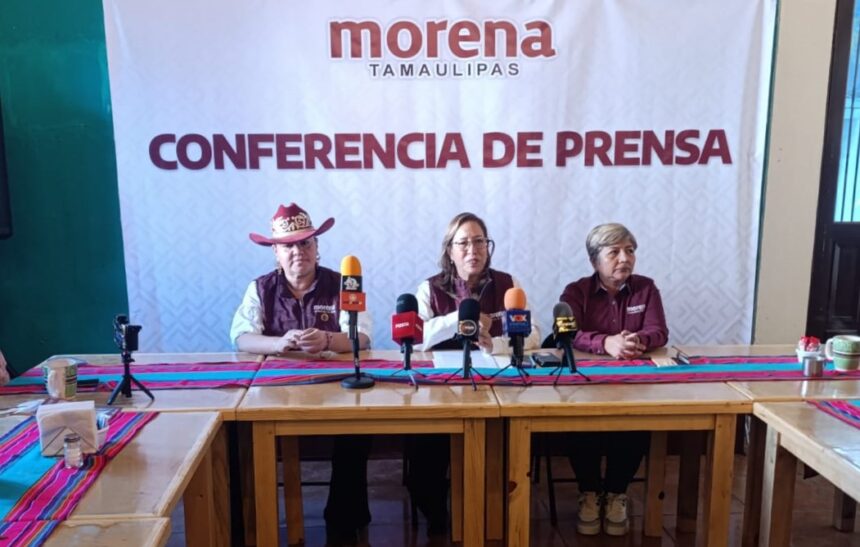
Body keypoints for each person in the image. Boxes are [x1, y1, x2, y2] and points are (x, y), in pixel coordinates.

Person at [230, 203, 372, 545]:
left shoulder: (342, 283)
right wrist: (278, 344)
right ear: (276, 252)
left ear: (317, 247)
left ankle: (344, 523)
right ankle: (249, 524)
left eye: (305, 243)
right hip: (275, 392)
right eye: (288, 246)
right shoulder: (260, 288)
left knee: (357, 429)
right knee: (234, 434)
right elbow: (241, 337)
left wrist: (327, 340)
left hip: (334, 391)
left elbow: (363, 336)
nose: (298, 251)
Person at [409, 212, 540, 535]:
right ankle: (437, 511)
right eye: (463, 243)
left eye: (479, 241)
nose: (473, 250)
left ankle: (494, 511)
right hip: (443, 389)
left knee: (506, 440)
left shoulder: (508, 284)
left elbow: (534, 334)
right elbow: (417, 338)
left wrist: (496, 343)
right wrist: (458, 318)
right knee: (426, 447)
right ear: (449, 251)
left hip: (498, 385)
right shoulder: (429, 289)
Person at [559, 222, 668, 536]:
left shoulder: (646, 288)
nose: (625, 258)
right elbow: (566, 333)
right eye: (615, 252)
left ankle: (617, 493)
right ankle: (590, 492)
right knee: (578, 419)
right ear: (595, 260)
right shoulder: (575, 291)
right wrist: (605, 342)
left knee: (636, 419)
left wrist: (637, 340)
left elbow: (659, 331)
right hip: (587, 383)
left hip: (632, 381)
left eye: (630, 251)